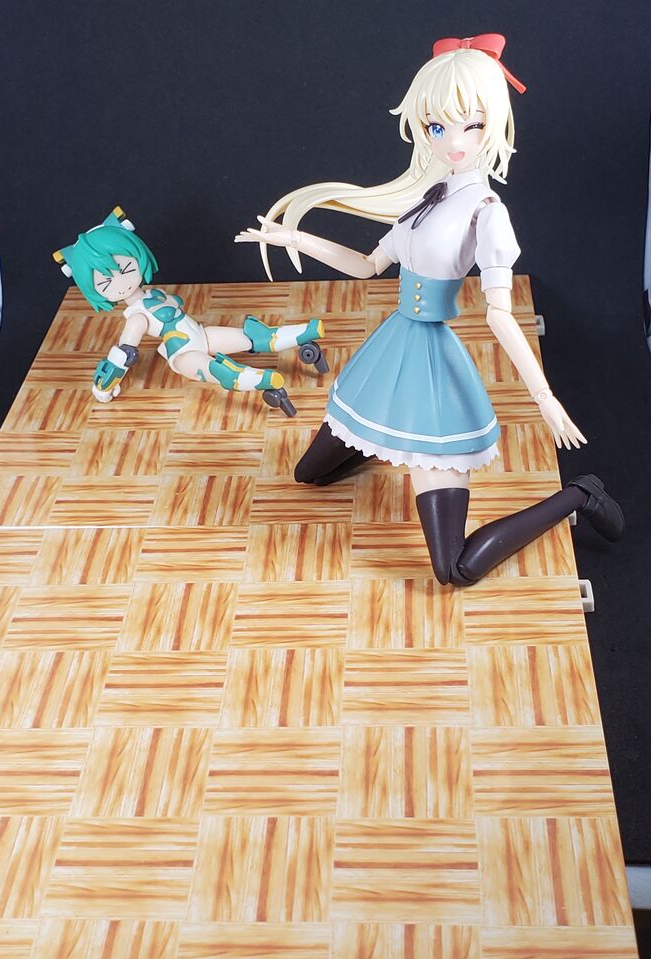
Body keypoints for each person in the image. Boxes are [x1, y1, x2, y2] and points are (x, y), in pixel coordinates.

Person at [236, 34, 623, 585]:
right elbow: (367, 266)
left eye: (472, 125)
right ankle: (391, 440)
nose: (455, 141)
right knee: (309, 476)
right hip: (389, 356)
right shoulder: (429, 195)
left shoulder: (487, 211)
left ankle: (580, 494)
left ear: (494, 124)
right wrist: (295, 237)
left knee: (453, 569)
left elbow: (499, 314)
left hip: (435, 376)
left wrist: (545, 398)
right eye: (438, 127)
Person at [54, 207, 326, 416]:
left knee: (252, 337)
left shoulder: (153, 295)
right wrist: (103, 386)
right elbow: (123, 354)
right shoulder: (137, 318)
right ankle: (263, 379)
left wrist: (103, 387)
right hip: (182, 353)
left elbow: (123, 354)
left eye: (125, 268)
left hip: (202, 335)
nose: (120, 281)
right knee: (219, 370)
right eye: (105, 283)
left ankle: (304, 333)